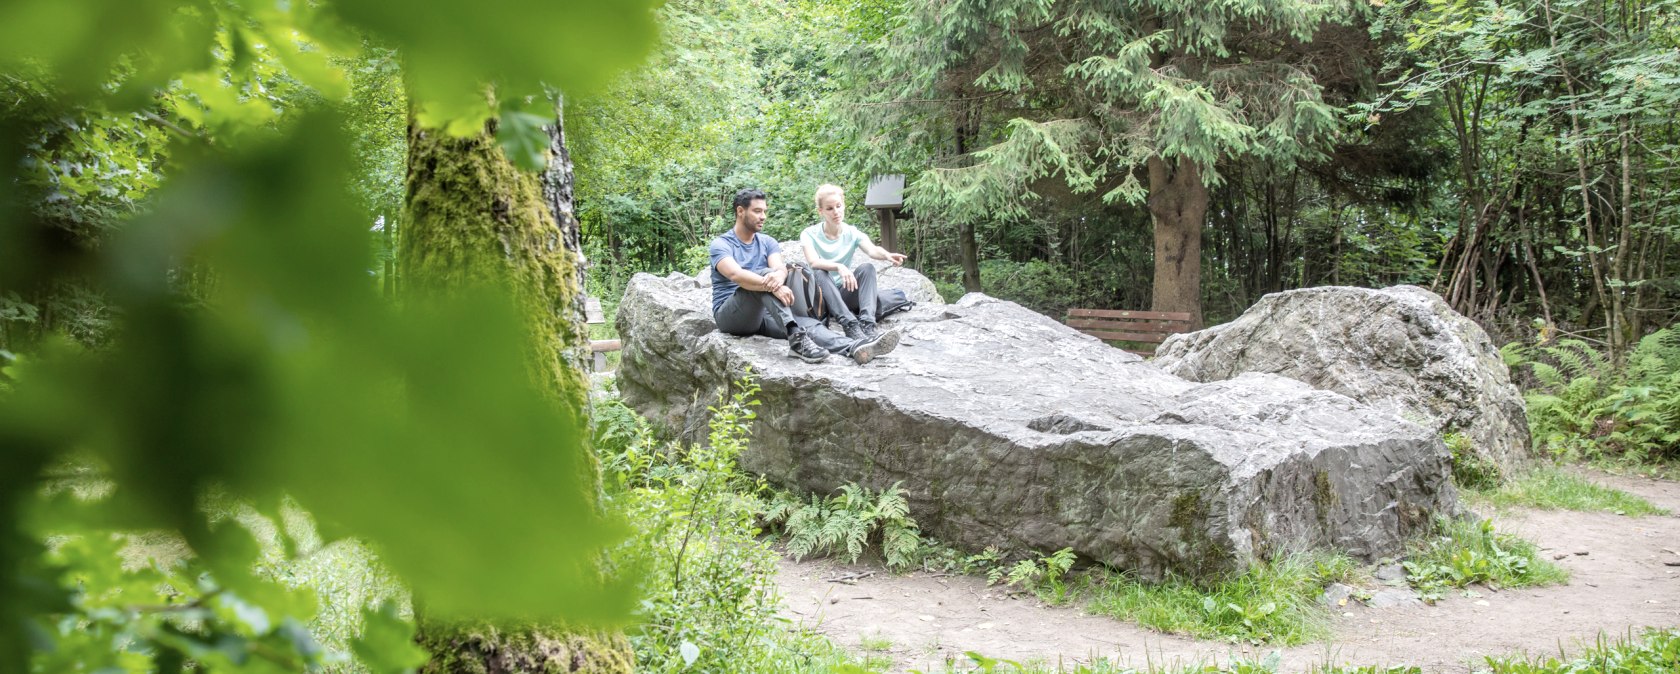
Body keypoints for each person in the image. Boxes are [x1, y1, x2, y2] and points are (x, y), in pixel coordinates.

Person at [710, 188, 898, 365]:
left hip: (766, 312)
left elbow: (781, 269)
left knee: (810, 325)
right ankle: (795, 338)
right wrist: (774, 284)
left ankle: (856, 347)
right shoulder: (721, 244)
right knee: (765, 275)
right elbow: (737, 275)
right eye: (757, 211)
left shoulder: (768, 242)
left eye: (765, 211)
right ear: (740, 211)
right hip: (733, 315)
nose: (763, 217)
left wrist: (778, 277)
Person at [798, 184, 908, 340]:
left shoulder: (852, 232)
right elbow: (814, 262)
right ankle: (849, 325)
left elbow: (872, 250)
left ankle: (868, 325)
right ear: (820, 211)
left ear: (844, 206)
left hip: (844, 295)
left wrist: (887, 255)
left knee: (867, 268)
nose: (836, 212)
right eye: (829, 208)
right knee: (819, 273)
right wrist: (839, 266)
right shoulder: (809, 234)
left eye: (838, 206)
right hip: (822, 297)